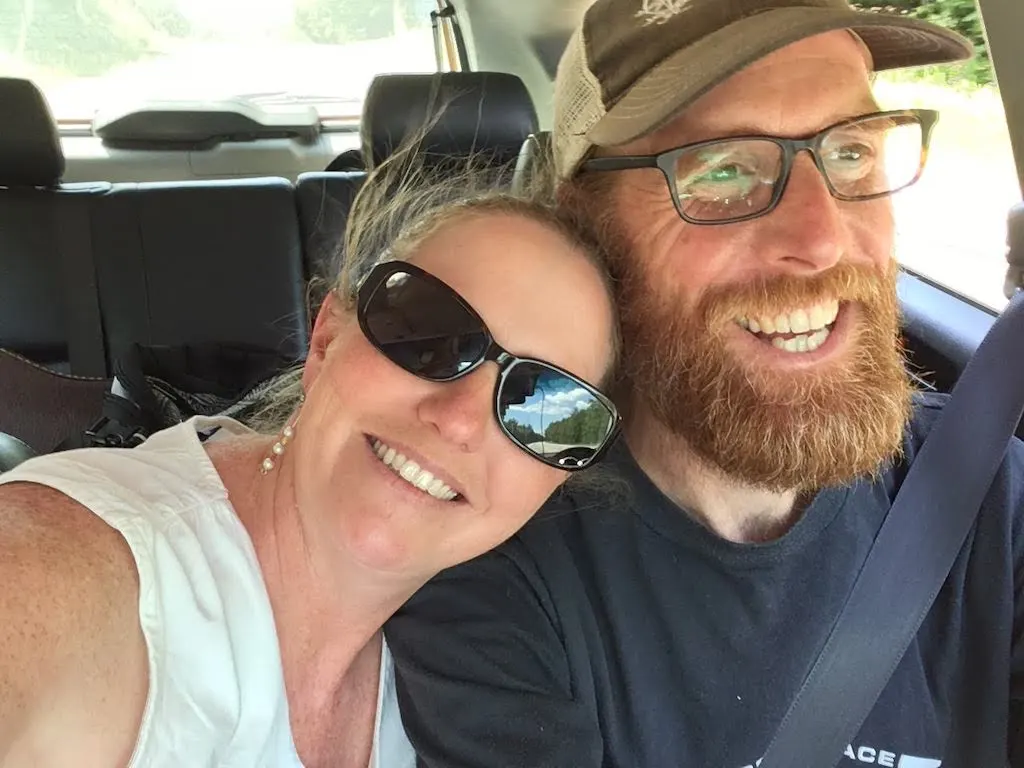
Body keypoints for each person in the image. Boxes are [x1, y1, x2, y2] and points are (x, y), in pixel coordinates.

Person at [385, 1, 1024, 766]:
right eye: (722, 168)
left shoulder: (987, 496)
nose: (821, 240)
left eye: (851, 152)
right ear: (586, 224)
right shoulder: (497, 567)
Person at [0, 151, 622, 767]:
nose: (459, 421)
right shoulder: (67, 570)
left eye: (549, 409)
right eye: (428, 335)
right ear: (325, 342)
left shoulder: (476, 679)